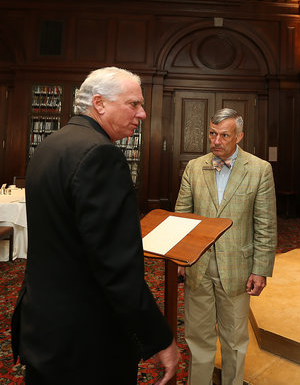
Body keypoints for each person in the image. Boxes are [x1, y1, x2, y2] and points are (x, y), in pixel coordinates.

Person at [11, 67, 180, 384]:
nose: (142, 114)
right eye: (133, 104)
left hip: (43, 324)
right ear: (99, 103)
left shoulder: (51, 143)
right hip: (85, 339)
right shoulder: (101, 155)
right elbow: (116, 266)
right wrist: (158, 337)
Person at [175, 108, 277, 385]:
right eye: (212, 133)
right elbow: (182, 218)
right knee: (198, 338)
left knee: (234, 339)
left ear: (239, 136)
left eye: (224, 135)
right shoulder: (195, 168)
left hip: (237, 269)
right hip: (198, 266)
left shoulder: (259, 170)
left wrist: (261, 270)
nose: (216, 141)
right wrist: (181, 261)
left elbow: (265, 225)